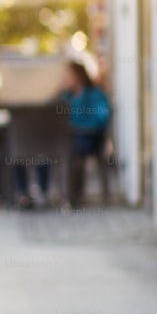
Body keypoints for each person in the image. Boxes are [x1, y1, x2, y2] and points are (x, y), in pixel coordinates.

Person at [60, 60, 110, 206]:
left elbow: (100, 119)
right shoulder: (67, 96)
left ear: (78, 76)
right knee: (53, 149)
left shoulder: (95, 94)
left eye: (69, 76)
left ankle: (73, 197)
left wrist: (76, 126)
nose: (66, 79)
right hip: (72, 137)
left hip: (91, 137)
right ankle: (67, 196)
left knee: (73, 151)